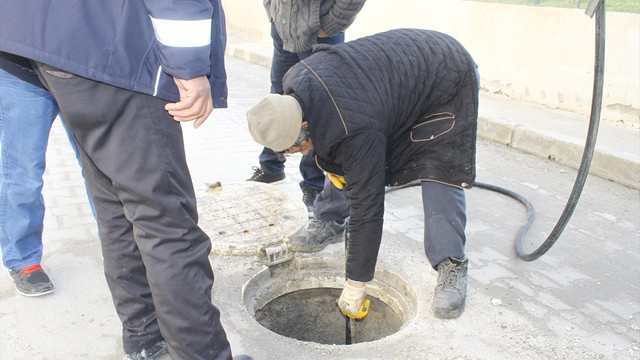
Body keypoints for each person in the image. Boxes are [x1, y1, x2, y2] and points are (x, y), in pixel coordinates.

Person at [0, 1, 233, 359]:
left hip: (46, 37)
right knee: (167, 222)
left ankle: (145, 342)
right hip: (111, 44)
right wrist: (189, 68)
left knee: (115, 203)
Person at [247, 28, 479, 320]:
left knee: (437, 164)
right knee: (338, 151)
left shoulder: (353, 128)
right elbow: (336, 144)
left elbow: (367, 209)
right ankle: (330, 218)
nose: (302, 153)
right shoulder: (295, 81)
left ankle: (451, 261)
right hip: (390, 85)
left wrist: (356, 283)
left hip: (445, 77)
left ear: (302, 121)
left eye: (299, 146)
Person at [248, 0, 366, 251]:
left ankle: (314, 187)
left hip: (319, 31)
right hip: (283, 28)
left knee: (322, 112)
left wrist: (329, 24)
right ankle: (271, 166)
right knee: (280, 101)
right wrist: (273, 13)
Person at [0, 53, 93, 297]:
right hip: (18, 68)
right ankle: (23, 259)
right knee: (23, 170)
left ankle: (120, 247)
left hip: (78, 65)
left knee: (97, 165)